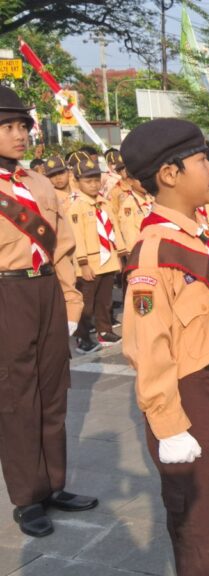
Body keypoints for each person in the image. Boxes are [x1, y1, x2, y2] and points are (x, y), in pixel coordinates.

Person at [120, 118, 209, 576]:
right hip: (193, 395)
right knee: (205, 525)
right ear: (169, 174)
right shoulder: (153, 252)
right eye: (202, 161)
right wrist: (168, 426)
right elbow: (148, 347)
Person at [0, 86, 96, 538]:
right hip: (7, 293)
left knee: (54, 391)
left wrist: (71, 301)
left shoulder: (39, 183)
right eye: (7, 127)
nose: (19, 134)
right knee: (17, 396)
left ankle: (54, 483)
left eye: (22, 125)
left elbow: (63, 248)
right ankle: (27, 496)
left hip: (46, 291)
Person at [67, 154, 125, 350]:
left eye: (96, 180)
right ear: (77, 181)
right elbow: (77, 237)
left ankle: (104, 331)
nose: (93, 185)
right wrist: (83, 264)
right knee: (86, 304)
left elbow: (114, 228)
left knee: (104, 301)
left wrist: (120, 253)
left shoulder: (103, 203)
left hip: (107, 259)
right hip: (89, 263)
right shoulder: (77, 205)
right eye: (88, 181)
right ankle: (82, 337)